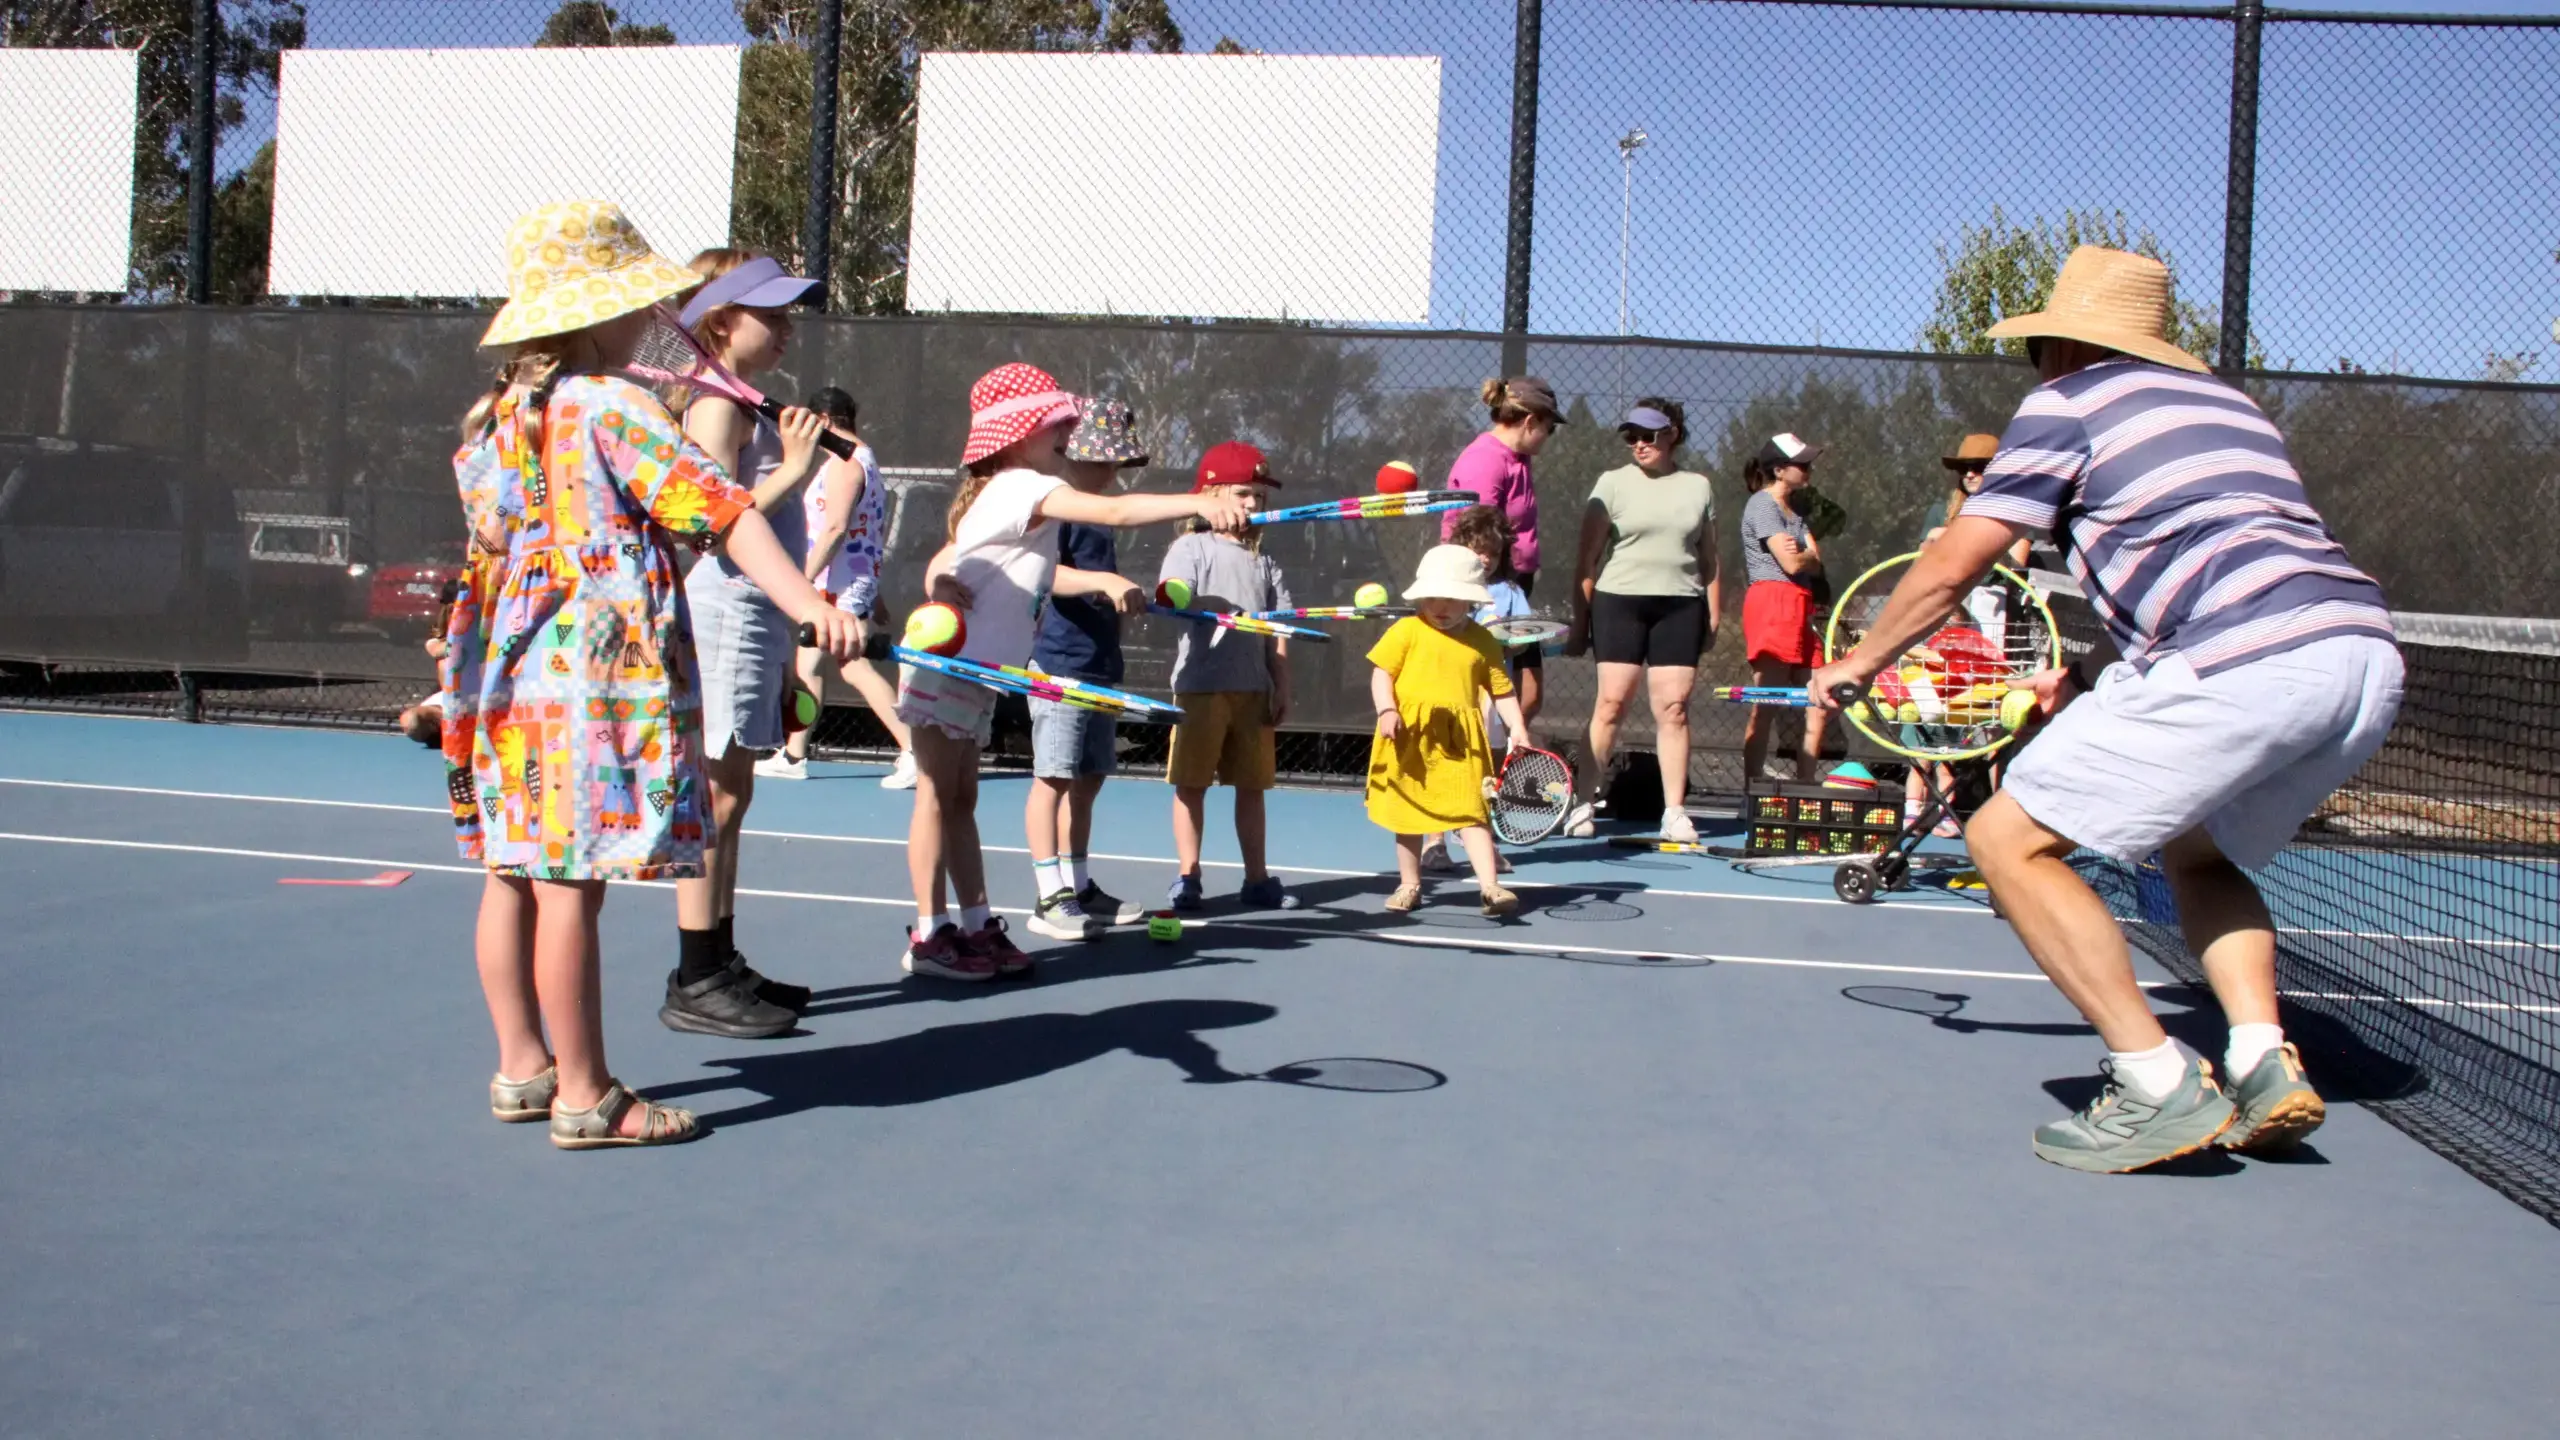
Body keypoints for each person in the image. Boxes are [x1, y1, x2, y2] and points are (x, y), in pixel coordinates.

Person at [1810, 246, 2404, 1174]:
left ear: (2064, 343)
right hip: (2360, 655)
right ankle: (2260, 1056)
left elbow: (1956, 561)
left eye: (2039, 346)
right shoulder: (2233, 409)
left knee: (2005, 840)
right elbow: (2193, 545)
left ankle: (2156, 1082)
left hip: (2240, 656)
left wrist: (1860, 661)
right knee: (2197, 852)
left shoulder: (2068, 402)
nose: (2036, 363)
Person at [442, 201, 859, 1148]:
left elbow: (493, 548)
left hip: (513, 673)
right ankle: (587, 1095)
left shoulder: (503, 417)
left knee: (513, 871)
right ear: (605, 309)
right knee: (570, 886)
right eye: (637, 300)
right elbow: (724, 512)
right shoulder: (611, 403)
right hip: (589, 675)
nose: (649, 316)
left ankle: (522, 1066)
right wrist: (809, 602)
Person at [903, 366, 1248, 981]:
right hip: (948, 665)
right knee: (936, 796)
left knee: (961, 799)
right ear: (1017, 435)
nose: (1068, 431)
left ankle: (976, 926)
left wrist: (941, 580)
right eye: (1055, 422)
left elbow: (947, 556)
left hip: (977, 672)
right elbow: (1114, 512)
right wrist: (1199, 502)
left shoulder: (1011, 490)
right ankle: (930, 935)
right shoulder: (1021, 484)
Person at [663, 249, 828, 1039]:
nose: (787, 327)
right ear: (723, 320)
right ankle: (697, 974)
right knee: (717, 797)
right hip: (724, 612)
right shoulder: (713, 405)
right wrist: (795, 468)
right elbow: (709, 521)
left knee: (737, 792)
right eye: (773, 314)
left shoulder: (741, 400)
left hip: (755, 616)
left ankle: (719, 959)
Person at [1562, 399, 1722, 842]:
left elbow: (1710, 558)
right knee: (1611, 704)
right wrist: (1580, 622)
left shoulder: (1698, 487)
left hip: (1681, 607)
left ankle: (1674, 813)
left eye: (1647, 435)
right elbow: (1587, 560)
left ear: (1672, 435)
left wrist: (1713, 613)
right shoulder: (1612, 484)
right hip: (1620, 603)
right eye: (1631, 436)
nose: (1638, 444)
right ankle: (1583, 804)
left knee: (1674, 709)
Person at [1023, 398, 1152, 940]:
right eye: (1103, 459)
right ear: (1072, 454)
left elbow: (1101, 586)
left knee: (1090, 777)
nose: (1111, 470)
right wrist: (1105, 582)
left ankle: (1078, 886)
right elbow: (1045, 574)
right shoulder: (1057, 507)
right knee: (1052, 778)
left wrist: (1124, 600)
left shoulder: (1097, 514)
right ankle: (1049, 898)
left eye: (1116, 460)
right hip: (1058, 665)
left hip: (1099, 664)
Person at [1159, 442, 1298, 912]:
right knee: (1191, 785)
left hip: (1253, 690)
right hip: (1200, 688)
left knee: (1252, 788)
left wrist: (1282, 682)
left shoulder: (1265, 560)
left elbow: (1279, 628)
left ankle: (1257, 879)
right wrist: (1194, 602)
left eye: (1260, 496)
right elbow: (1172, 596)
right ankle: (1188, 876)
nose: (1253, 503)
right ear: (1211, 495)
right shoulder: (1190, 547)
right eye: (1242, 493)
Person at [761, 386, 918, 789]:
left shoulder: (847, 463)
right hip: (841, 582)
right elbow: (866, 531)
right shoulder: (861, 460)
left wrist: (800, 579)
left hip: (837, 584)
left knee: (853, 666)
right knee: (809, 666)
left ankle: (914, 749)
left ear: (824, 421)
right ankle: (794, 755)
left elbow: (836, 528)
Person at [1367, 544, 1528, 917]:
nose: (1440, 606)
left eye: (1452, 599)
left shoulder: (1483, 640)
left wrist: (1517, 726)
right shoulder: (1406, 630)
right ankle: (1409, 885)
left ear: (1470, 601)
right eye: (1432, 597)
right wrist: (1387, 709)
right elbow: (1381, 674)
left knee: (1472, 813)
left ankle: (1490, 887)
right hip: (1410, 737)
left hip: (1461, 744)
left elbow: (1501, 690)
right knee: (1408, 815)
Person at [1903, 432, 2033, 838]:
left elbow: (2014, 568)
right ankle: (1919, 808)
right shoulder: (1941, 512)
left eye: (1980, 468)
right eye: (1965, 469)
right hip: (1944, 626)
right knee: (1930, 712)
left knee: (1989, 724)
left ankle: (1996, 814)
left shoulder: (2015, 515)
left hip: (1990, 630)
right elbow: (1924, 564)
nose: (1971, 474)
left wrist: (1972, 543)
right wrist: (1942, 541)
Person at [1443, 376, 1562, 728]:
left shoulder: (1518, 458)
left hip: (1512, 588)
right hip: (1485, 592)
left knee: (1528, 698)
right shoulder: (1486, 459)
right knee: (1492, 698)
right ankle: (1481, 757)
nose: (1549, 436)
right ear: (1531, 422)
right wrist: (1486, 601)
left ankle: (1506, 753)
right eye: (1550, 427)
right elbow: (1476, 536)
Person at [1418, 504, 1528, 874]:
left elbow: (1521, 643)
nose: (1485, 559)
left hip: (1490, 696)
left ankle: (1480, 838)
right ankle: (1434, 842)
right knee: (1441, 762)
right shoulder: (1445, 591)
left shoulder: (1509, 592)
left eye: (1493, 553)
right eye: (1478, 549)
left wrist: (1508, 641)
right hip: (1447, 692)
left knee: (1483, 767)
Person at [1738, 432, 1831, 783]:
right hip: (1773, 602)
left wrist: (1807, 556)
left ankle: (1805, 785)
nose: (1808, 470)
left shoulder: (1796, 512)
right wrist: (1807, 557)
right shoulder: (1762, 505)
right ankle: (1752, 787)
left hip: (1803, 605)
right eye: (1801, 464)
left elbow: (1814, 562)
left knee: (1818, 700)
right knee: (1767, 701)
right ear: (1778, 470)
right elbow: (1792, 563)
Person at [396, 577, 462, 747]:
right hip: (450, 700)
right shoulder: (439, 639)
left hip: (487, 699)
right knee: (412, 721)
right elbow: (436, 649)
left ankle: (462, 728)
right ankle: (450, 727)